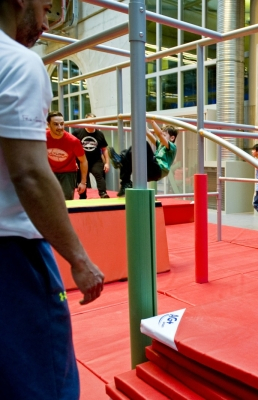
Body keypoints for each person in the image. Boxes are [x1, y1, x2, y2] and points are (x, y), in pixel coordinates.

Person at [0, 0, 105, 398]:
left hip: (63, 179)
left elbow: (85, 161)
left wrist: (83, 183)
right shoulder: (20, 63)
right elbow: (29, 173)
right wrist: (78, 258)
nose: (46, 24)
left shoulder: (77, 140)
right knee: (43, 381)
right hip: (13, 251)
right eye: (46, 9)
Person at [108, 120, 178, 197]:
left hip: (157, 170)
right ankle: (125, 183)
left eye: (164, 135)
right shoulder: (160, 145)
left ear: (172, 138)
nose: (162, 137)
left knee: (144, 144)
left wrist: (152, 121)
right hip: (150, 171)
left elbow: (159, 134)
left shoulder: (172, 147)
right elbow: (148, 132)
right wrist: (141, 118)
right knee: (131, 151)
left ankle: (121, 160)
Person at [46, 110, 89, 200]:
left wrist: (83, 182)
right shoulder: (42, 137)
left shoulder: (73, 141)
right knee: (48, 201)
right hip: (49, 172)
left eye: (62, 124)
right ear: (48, 125)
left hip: (68, 173)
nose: (60, 127)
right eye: (55, 124)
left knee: (66, 201)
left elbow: (83, 161)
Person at [73, 113, 110, 199]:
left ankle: (103, 193)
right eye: (89, 122)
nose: (92, 124)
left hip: (95, 161)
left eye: (93, 122)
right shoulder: (77, 133)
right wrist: (74, 162)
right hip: (82, 160)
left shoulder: (100, 134)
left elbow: (105, 149)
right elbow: (71, 148)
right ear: (85, 122)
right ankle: (82, 196)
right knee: (82, 178)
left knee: (99, 174)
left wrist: (107, 163)